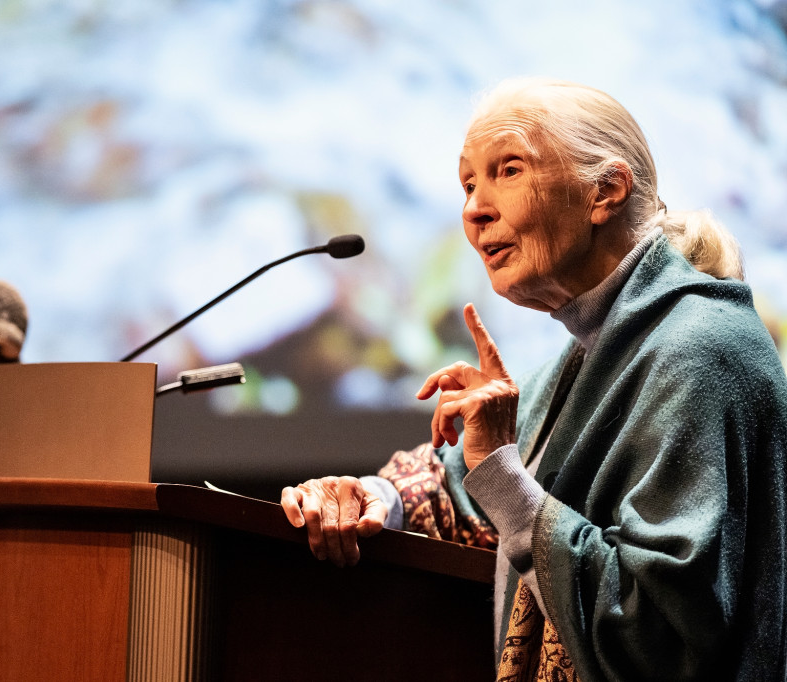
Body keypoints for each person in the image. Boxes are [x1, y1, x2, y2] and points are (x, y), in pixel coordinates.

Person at [280, 77, 787, 682]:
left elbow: (661, 636)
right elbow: (465, 493)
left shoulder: (699, 350)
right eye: (468, 184)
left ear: (605, 191)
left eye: (509, 170)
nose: (474, 208)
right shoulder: (585, 359)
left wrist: (500, 468)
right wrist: (370, 500)